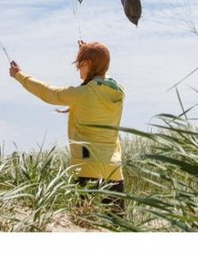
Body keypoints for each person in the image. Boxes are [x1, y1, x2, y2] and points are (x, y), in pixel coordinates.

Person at [9, 41, 125, 213]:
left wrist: (20, 75)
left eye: (80, 63)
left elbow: (48, 92)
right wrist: (90, 54)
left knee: (85, 227)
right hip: (115, 172)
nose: (78, 67)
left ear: (90, 64)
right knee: (117, 230)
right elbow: (102, 74)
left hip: (87, 170)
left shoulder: (82, 94)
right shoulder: (119, 92)